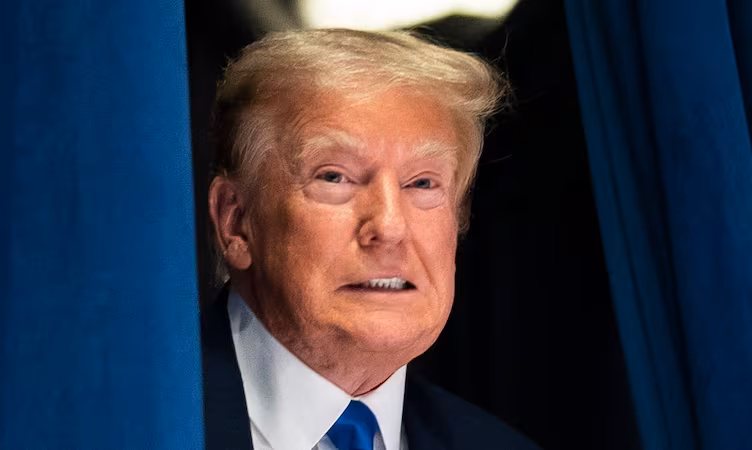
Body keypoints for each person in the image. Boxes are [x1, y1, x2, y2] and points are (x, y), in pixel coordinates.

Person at [202, 28, 542, 450]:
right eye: (334, 176)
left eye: (421, 183)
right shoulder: (119, 419)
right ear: (236, 221)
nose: (389, 227)